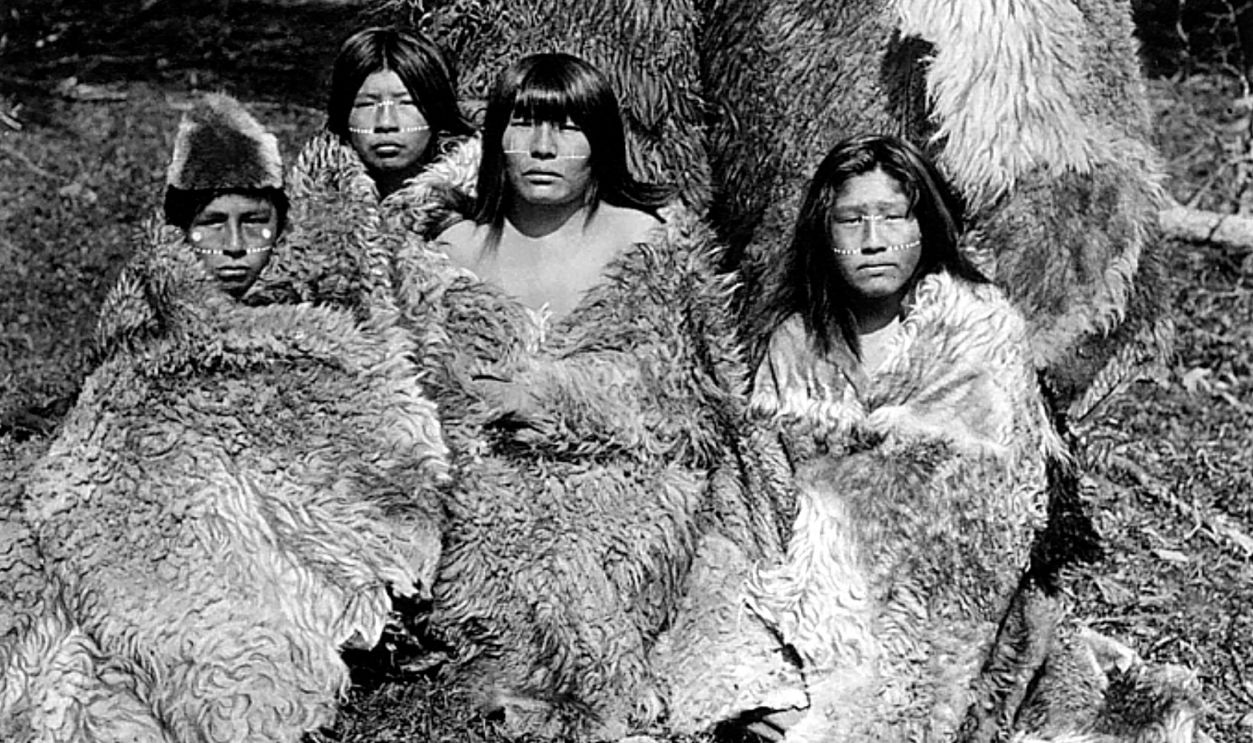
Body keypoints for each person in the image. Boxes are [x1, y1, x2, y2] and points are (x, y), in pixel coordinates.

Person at [658, 135, 1195, 741]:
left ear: (925, 227)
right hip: (822, 575)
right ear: (824, 233)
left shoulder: (978, 327)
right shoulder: (797, 338)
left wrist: (883, 467)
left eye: (893, 216)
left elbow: (994, 491)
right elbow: (765, 478)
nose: (873, 239)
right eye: (851, 219)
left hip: (945, 573)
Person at [392, 52, 792, 740]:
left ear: (600, 141)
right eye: (524, 124)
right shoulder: (443, 249)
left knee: (612, 551)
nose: (544, 147)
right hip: (479, 485)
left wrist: (548, 396)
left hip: (629, 478)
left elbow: (686, 402)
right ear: (496, 138)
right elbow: (410, 389)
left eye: (568, 127)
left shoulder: (648, 243)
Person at [288, 26, 477, 234]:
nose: (386, 123)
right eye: (367, 105)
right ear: (343, 114)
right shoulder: (298, 215)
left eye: (407, 103)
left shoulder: (485, 211)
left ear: (437, 110)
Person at [160, 93, 288, 300]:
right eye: (212, 223)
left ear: (282, 226)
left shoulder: (325, 316)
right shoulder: (141, 324)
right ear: (179, 231)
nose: (234, 246)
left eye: (254, 221)